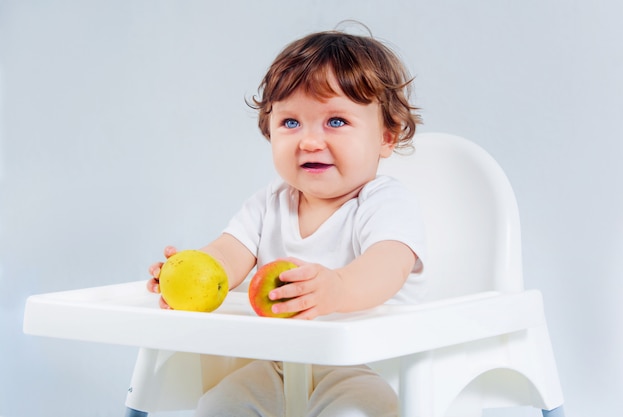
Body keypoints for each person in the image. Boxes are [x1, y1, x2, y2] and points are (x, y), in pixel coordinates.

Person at [147, 27, 426, 417]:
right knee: (216, 407)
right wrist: (192, 272)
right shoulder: (269, 203)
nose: (309, 142)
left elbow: (388, 263)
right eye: (291, 123)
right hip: (278, 365)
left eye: (336, 122)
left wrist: (339, 288)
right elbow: (229, 253)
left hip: (366, 369)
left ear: (386, 136)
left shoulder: (383, 202)